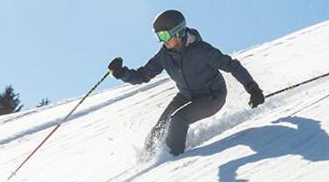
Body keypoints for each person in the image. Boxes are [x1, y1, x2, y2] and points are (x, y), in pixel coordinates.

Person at [108, 9, 265, 156]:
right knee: (158, 129)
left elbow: (232, 66)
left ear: (178, 31)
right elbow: (142, 75)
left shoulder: (202, 51)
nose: (163, 41)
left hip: (211, 97)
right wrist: (122, 73)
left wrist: (253, 89)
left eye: (164, 36)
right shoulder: (164, 55)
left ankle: (171, 159)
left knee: (178, 120)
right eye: (159, 37)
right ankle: (148, 160)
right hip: (186, 95)